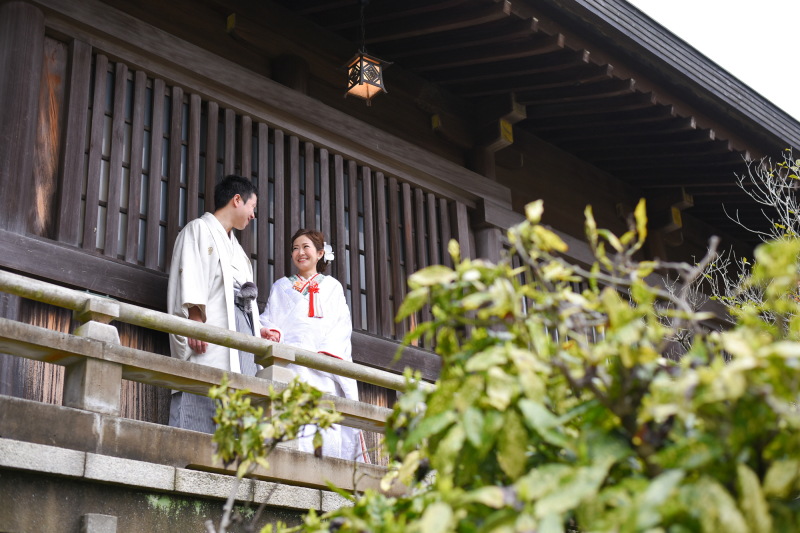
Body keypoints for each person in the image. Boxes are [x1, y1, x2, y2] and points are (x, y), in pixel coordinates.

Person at [259, 229, 370, 463]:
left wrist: (326, 354)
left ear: (320, 253)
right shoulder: (280, 286)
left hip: (322, 365)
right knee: (291, 422)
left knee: (323, 425)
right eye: (295, 248)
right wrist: (269, 330)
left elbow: (342, 325)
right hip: (290, 363)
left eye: (306, 247)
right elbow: (267, 317)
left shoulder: (332, 287)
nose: (300, 252)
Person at [166, 175, 261, 434]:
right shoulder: (199, 229)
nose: (254, 215)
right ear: (237, 200)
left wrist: (258, 328)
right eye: (253, 207)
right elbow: (192, 274)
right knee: (205, 386)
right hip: (212, 327)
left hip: (240, 333)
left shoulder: (239, 251)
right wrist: (195, 321)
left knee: (240, 398)